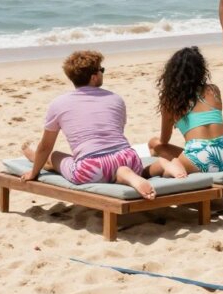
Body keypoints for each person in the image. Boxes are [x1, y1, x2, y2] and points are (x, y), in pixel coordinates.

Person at [21, 51, 184, 200]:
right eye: (101, 70)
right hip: (128, 158)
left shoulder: (58, 104)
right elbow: (116, 132)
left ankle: (30, 154)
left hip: (91, 168)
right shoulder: (116, 99)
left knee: (54, 155)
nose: (102, 72)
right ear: (93, 77)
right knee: (116, 168)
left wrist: (33, 173)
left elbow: (46, 145)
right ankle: (132, 172)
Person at [149, 47, 223, 173]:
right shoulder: (213, 90)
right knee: (166, 150)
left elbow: (164, 140)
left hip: (200, 156)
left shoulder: (171, 100)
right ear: (201, 70)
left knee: (157, 168)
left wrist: (155, 144)